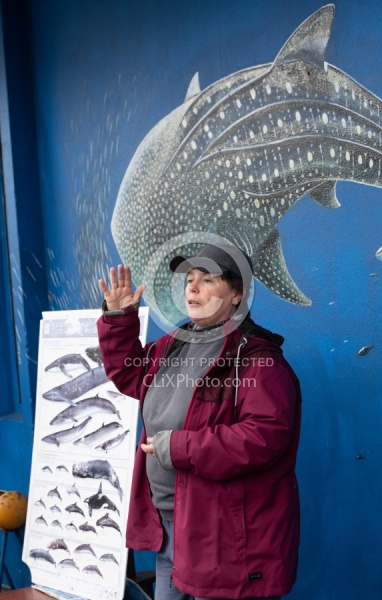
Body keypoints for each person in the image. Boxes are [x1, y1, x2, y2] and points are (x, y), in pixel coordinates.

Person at [97, 243, 302, 600]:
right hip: (169, 525)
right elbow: (130, 376)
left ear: (236, 295)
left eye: (207, 280)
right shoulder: (174, 344)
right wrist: (119, 319)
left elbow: (264, 437)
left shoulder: (258, 359)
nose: (192, 287)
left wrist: (177, 447)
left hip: (219, 537)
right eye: (190, 279)